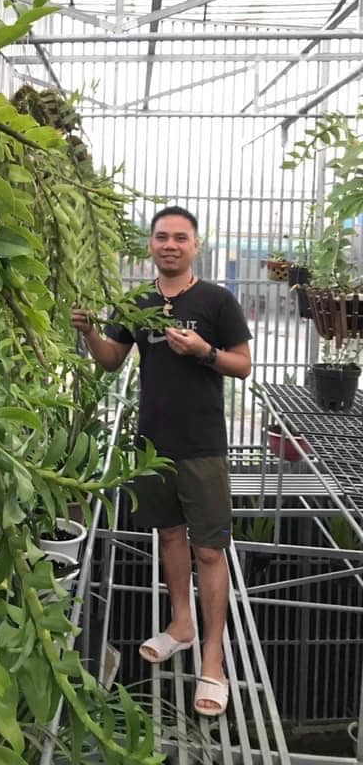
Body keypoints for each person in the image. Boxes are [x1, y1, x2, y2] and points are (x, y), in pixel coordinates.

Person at [71, 206, 251, 717]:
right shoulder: (137, 303)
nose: (170, 245)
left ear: (195, 245)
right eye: (162, 237)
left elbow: (243, 365)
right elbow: (112, 360)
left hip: (203, 446)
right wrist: (90, 332)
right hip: (153, 444)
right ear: (150, 244)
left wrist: (203, 351)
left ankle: (212, 663)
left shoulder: (217, 300)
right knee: (169, 536)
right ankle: (181, 624)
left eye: (180, 237)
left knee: (209, 551)